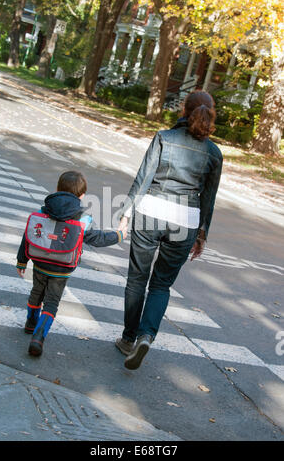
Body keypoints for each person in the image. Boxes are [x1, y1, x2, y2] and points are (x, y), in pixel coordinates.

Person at [116, 90, 223, 370]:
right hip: (185, 219)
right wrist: (202, 234)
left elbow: (144, 177)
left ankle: (128, 338)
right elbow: (208, 198)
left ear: (183, 110)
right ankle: (146, 335)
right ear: (210, 114)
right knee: (161, 284)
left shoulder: (164, 137)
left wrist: (126, 212)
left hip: (151, 210)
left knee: (137, 279)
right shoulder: (214, 153)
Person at [17, 171, 127, 357]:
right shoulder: (82, 217)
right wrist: (119, 235)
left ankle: (30, 323)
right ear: (82, 195)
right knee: (52, 301)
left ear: (58, 189)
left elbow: (28, 235)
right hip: (62, 267)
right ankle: (38, 337)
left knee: (36, 292)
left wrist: (22, 260)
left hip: (40, 261)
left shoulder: (45, 209)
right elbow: (97, 238)